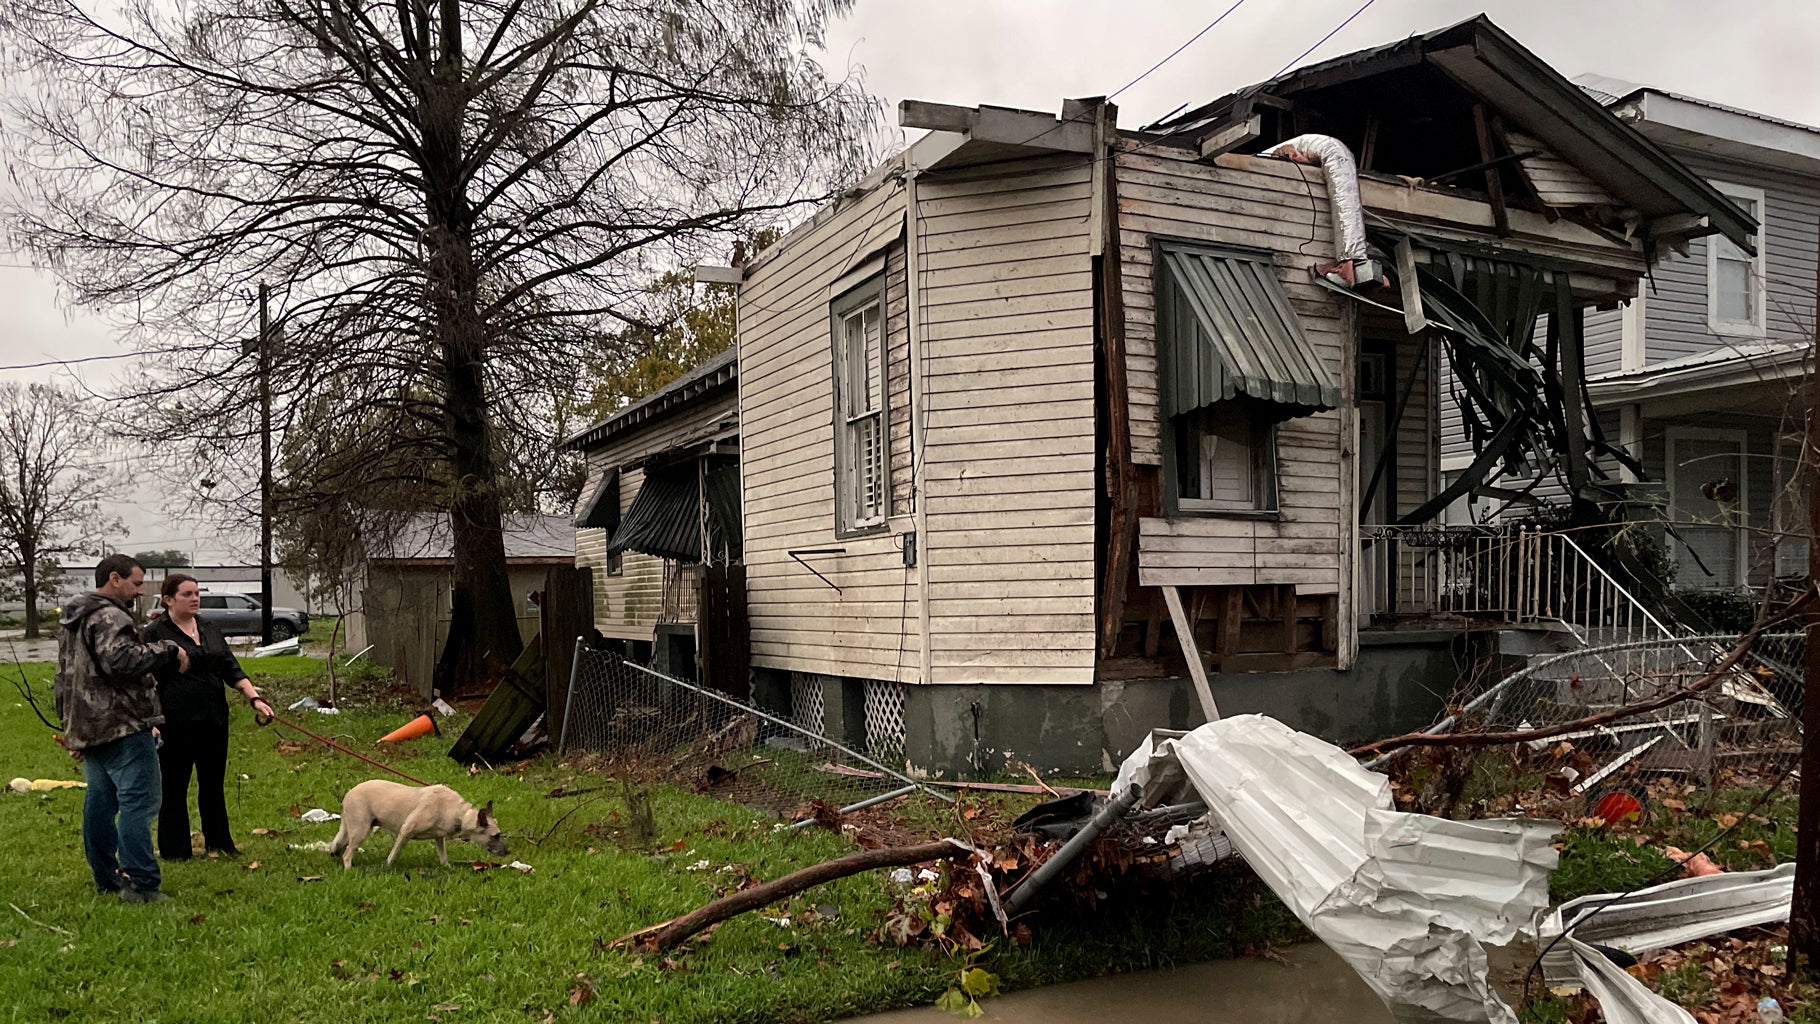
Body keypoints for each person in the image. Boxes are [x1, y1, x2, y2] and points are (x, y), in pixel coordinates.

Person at [54, 554, 189, 903]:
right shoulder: (111, 616)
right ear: (115, 579)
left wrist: (69, 727)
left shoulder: (74, 618)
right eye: (136, 583)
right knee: (139, 803)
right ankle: (142, 885)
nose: (140, 591)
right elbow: (122, 660)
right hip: (123, 725)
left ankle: (106, 878)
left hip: (89, 726)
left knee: (99, 802)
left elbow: (63, 677)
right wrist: (168, 649)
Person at [143, 574, 274, 860]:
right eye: (187, 594)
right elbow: (145, 682)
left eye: (197, 593)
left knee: (212, 784)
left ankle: (220, 842)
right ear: (168, 600)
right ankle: (175, 850)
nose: (194, 598)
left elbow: (231, 667)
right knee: (174, 786)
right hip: (174, 723)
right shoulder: (155, 633)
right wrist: (152, 722)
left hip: (213, 719)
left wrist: (254, 698)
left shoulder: (209, 627)